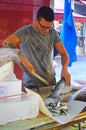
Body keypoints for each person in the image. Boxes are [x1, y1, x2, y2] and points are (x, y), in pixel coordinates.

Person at [2, 6, 71, 90]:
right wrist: (20, 55)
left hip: (50, 81)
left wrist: (65, 68)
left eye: (49, 27)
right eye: (43, 27)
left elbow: (64, 54)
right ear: (36, 20)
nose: (46, 30)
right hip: (32, 84)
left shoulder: (52, 32)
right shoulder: (26, 32)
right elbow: (6, 43)